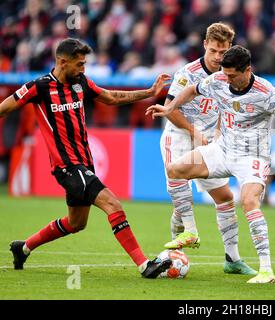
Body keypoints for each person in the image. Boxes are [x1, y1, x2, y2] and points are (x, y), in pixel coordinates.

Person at [0, 38, 172, 279]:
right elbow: (5, 108)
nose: (83, 69)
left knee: (76, 223)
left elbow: (111, 97)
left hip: (84, 163)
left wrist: (150, 92)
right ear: (62, 62)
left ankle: (24, 247)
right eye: (79, 64)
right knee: (113, 205)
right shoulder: (38, 87)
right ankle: (145, 265)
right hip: (67, 166)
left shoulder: (80, 83)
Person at [146, 45, 275, 283]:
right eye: (224, 74)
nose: (225, 79)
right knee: (175, 169)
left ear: (248, 70)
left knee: (248, 202)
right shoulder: (218, 79)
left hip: (252, 157)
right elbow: (191, 90)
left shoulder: (266, 92)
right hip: (222, 150)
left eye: (232, 75)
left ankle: (266, 269)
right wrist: (170, 107)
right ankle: (191, 232)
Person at [159, 22, 257, 276]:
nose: (217, 57)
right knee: (178, 187)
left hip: (209, 141)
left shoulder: (230, 75)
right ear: (205, 45)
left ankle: (232, 259)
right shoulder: (188, 73)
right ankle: (180, 246)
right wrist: (195, 133)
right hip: (179, 137)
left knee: (225, 197)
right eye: (213, 50)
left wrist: (219, 134)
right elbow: (170, 110)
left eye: (223, 52)